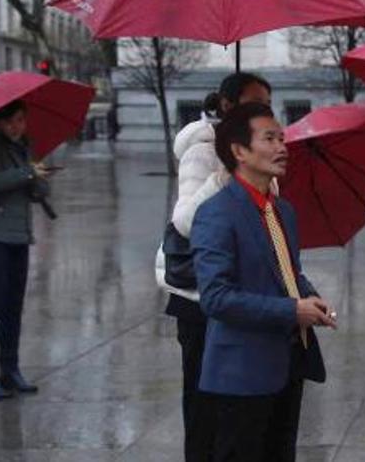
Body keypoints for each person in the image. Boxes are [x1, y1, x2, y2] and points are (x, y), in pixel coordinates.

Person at [192, 102, 334, 461]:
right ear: (239, 151)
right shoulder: (216, 212)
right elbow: (216, 297)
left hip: (288, 364)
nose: (282, 147)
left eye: (283, 138)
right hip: (241, 375)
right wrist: (291, 310)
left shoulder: (282, 211)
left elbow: (288, 272)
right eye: (269, 138)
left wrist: (310, 298)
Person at [156, 71, 271, 462]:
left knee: (236, 412)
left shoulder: (257, 152)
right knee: (204, 406)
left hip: (240, 296)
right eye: (255, 102)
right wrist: (228, 174)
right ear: (227, 105)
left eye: (267, 104)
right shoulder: (203, 151)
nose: (264, 111)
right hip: (199, 298)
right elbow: (186, 220)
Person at [0, 100, 51, 398]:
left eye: (21, 120)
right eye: (11, 121)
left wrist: (40, 179)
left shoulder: (22, 149)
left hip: (18, 237)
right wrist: (26, 173)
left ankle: (10, 370)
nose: (17, 127)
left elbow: (35, 191)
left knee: (13, 308)